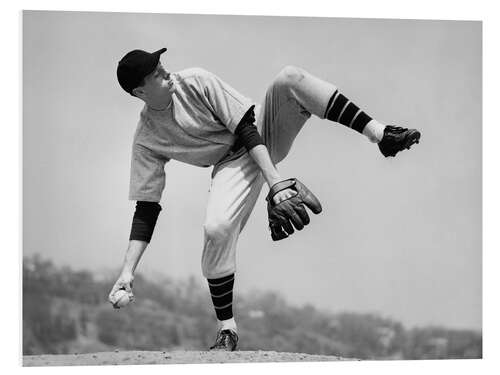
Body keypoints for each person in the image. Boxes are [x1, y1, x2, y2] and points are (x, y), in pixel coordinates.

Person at [108, 47, 421, 351]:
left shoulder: (195, 80)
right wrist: (127, 272)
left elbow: (246, 129)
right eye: (155, 73)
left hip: (261, 130)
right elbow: (146, 208)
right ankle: (226, 330)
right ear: (140, 92)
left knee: (290, 78)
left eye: (160, 64)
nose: (165, 70)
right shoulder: (147, 139)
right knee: (216, 229)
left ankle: (381, 135)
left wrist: (276, 183)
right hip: (231, 165)